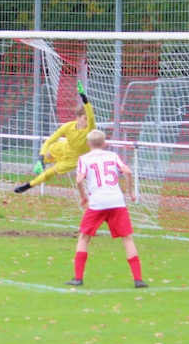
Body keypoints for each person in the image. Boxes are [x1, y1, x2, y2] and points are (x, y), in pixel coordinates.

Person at [64, 129, 147, 289]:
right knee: (127, 238)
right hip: (116, 201)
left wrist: (83, 197)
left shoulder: (84, 159)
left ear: (88, 143)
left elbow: (79, 180)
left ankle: (78, 278)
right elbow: (128, 171)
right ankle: (138, 279)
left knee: (84, 237)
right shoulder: (113, 156)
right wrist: (130, 192)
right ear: (104, 143)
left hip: (97, 203)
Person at [14, 80, 95, 193]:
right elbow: (49, 141)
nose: (87, 121)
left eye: (87, 119)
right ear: (77, 117)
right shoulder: (67, 126)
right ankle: (41, 163)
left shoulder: (90, 128)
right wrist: (40, 159)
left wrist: (83, 96)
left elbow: (91, 116)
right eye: (84, 119)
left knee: (50, 173)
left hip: (73, 159)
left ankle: (28, 185)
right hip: (63, 147)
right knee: (47, 154)